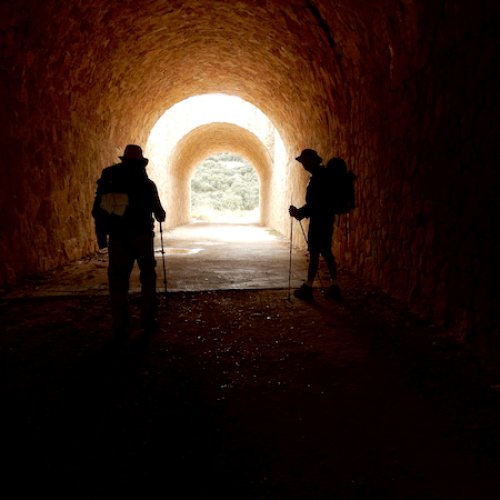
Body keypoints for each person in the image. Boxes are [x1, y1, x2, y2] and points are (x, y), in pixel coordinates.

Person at [92, 144, 166, 339]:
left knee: (118, 281)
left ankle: (120, 324)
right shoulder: (147, 184)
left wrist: (102, 236)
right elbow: (160, 214)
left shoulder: (110, 180)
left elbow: (97, 210)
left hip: (118, 239)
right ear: (141, 163)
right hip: (142, 238)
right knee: (148, 277)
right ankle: (148, 319)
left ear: (123, 160)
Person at [289, 148, 341, 301]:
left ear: (311, 161)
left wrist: (299, 213)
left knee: (314, 253)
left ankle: (309, 288)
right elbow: (316, 203)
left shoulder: (318, 178)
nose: (303, 164)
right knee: (325, 252)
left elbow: (315, 204)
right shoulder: (321, 176)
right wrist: (301, 212)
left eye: (304, 161)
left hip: (319, 221)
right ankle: (334, 286)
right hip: (326, 220)